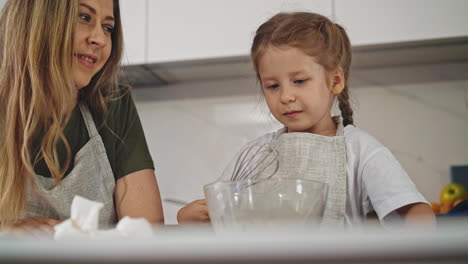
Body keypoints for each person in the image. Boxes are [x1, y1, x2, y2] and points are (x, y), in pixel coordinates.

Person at [177, 12, 435, 228]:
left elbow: (416, 213)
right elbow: (221, 215)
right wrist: (189, 217)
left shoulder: (360, 150)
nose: (286, 96)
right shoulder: (254, 154)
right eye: (272, 85)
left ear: (335, 80)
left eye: (299, 81)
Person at [0, 0, 163, 232]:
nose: (100, 39)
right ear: (36, 21)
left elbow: (147, 232)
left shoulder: (114, 107)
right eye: (84, 17)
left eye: (108, 27)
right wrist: (7, 233)